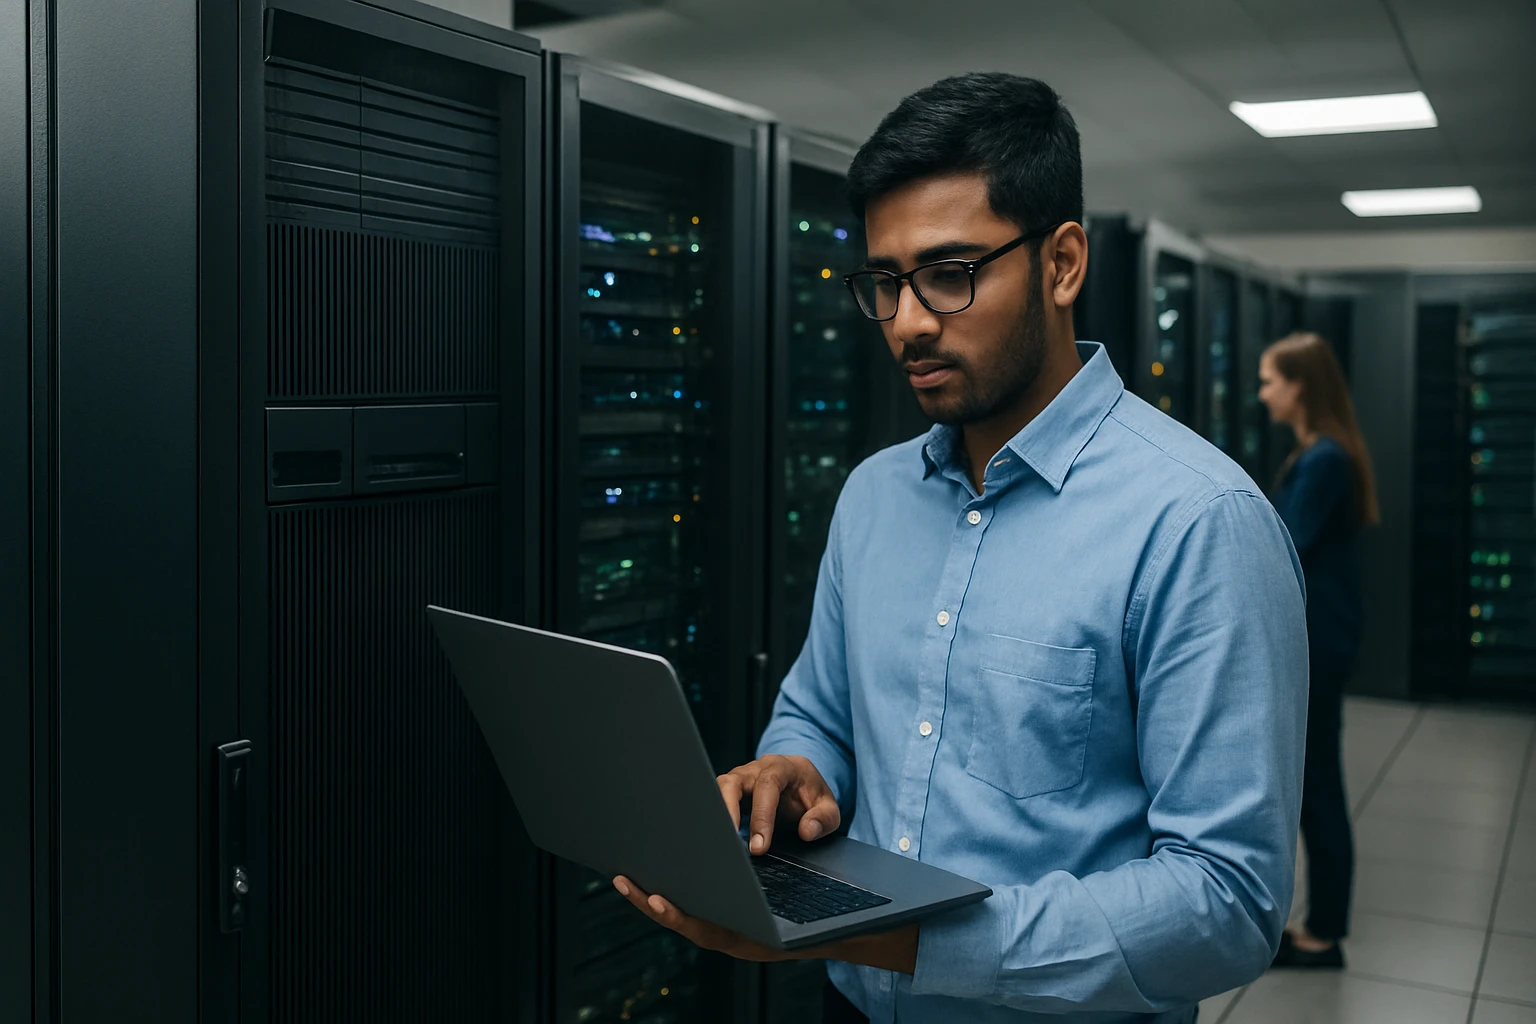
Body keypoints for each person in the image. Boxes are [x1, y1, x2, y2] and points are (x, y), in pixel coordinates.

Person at [611, 72, 1309, 1023]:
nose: (907, 321)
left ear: (1063, 264)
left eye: (950, 273)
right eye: (885, 282)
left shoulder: (1198, 522)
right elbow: (820, 714)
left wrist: (891, 936)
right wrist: (795, 772)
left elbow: (1228, 900)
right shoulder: (872, 498)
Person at [1259, 332, 1379, 970]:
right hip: (1326, 635)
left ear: (1299, 385)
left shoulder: (1325, 459)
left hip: (1320, 641)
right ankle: (1319, 923)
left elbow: (1288, 547)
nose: (1262, 393)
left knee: (1319, 787)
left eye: (1270, 380)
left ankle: (1325, 934)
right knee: (1314, 784)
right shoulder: (1319, 453)